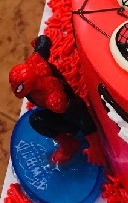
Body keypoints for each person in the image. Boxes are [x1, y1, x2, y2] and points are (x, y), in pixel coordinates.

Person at [9, 35, 104, 165]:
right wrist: (37, 42)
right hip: (60, 106)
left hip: (70, 117)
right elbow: (43, 41)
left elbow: (82, 117)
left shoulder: (54, 97)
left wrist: (95, 147)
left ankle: (68, 145)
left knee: (36, 120)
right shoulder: (36, 60)